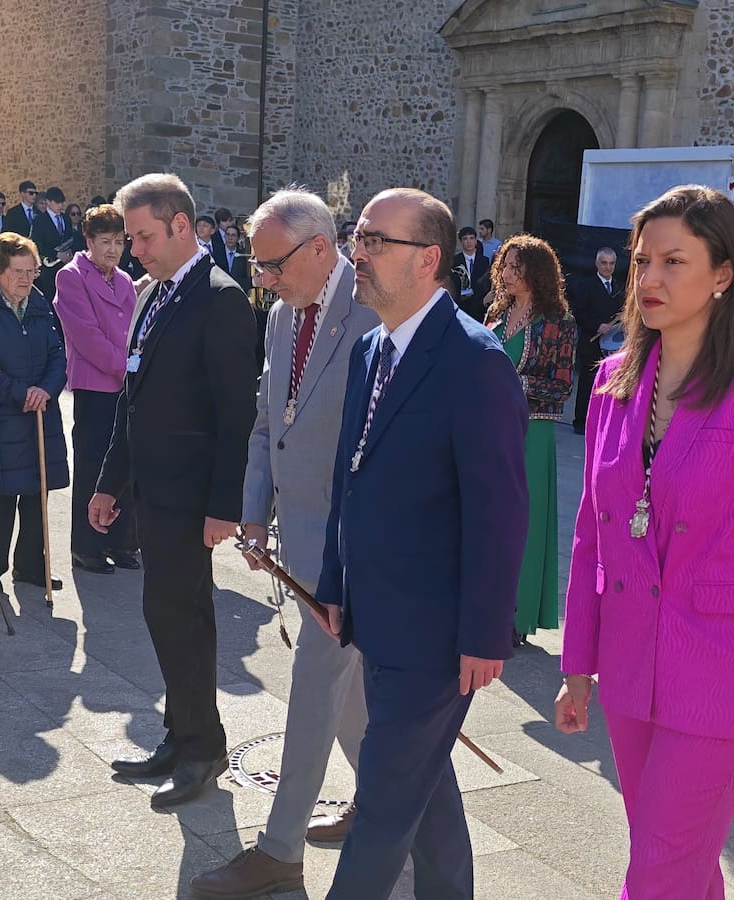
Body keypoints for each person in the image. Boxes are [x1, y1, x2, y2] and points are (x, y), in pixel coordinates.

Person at [555, 185, 734, 898]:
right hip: (629, 669)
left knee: (658, 872)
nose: (649, 280)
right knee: (676, 859)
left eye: (675, 261)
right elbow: (591, 538)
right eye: (644, 261)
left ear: (724, 274)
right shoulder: (613, 380)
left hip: (723, 678)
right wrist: (578, 663)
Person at [317, 188, 527, 899]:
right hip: (377, 615)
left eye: (376, 242)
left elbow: (500, 511)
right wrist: (332, 582)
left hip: (437, 635)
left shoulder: (475, 362)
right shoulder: (371, 346)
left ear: (429, 260)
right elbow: (351, 475)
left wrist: (485, 634)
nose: (358, 254)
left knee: (381, 801)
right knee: (424, 784)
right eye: (359, 238)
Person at [190, 188, 379, 898]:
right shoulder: (278, 315)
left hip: (350, 547)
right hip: (295, 537)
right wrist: (253, 508)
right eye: (256, 263)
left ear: (320, 249)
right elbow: (273, 414)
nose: (261, 278)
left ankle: (279, 849)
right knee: (350, 694)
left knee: (315, 684)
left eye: (271, 264)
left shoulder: (371, 312)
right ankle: (387, 804)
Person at [89, 173, 257, 808]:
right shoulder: (156, 294)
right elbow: (136, 399)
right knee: (168, 616)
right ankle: (182, 734)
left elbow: (234, 413)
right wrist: (110, 484)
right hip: (153, 492)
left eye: (143, 236)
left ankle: (203, 747)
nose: (134, 249)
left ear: (182, 226)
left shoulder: (220, 298)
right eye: (130, 237)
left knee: (180, 616)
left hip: (191, 499)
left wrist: (224, 506)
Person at [484, 235, 576, 645]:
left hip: (530, 432)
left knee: (524, 522)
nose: (506, 274)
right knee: (485, 520)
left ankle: (515, 618)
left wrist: (511, 384)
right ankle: (483, 607)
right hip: (486, 429)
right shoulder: (495, 314)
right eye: (505, 266)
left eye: (516, 268)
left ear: (536, 273)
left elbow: (561, 385)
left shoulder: (558, 322)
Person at [0, 233, 68, 596]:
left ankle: (32, 566)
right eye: (18, 272)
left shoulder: (40, 302)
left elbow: (59, 355)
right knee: (1, 499)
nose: (27, 279)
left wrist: (45, 389)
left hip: (40, 413)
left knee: (37, 494)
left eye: (32, 271)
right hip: (1, 417)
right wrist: (20, 392)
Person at [53, 205, 140, 576]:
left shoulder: (123, 279)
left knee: (125, 465)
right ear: (88, 241)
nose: (113, 249)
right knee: (92, 467)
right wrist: (127, 368)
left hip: (126, 387)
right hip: (95, 386)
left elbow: (137, 330)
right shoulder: (70, 277)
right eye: (105, 241)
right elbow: (85, 335)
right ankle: (87, 547)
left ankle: (120, 540)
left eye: (119, 242)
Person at [570, 246, 624, 435]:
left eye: (611, 263)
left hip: (612, 347)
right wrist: (596, 326)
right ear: (596, 264)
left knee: (610, 385)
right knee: (587, 383)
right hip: (591, 343)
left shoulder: (618, 287)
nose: (608, 267)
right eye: (604, 263)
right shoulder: (587, 285)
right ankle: (580, 422)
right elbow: (577, 312)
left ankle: (601, 422)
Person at [449, 225, 490, 321]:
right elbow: (452, 284)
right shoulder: (454, 261)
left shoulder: (484, 261)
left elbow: (485, 283)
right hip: (461, 308)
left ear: (476, 241)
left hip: (479, 308)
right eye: (465, 239)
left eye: (471, 238)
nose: (469, 242)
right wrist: (461, 295)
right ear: (461, 242)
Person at [223, 224, 251, 291]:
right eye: (228, 235)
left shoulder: (243, 255)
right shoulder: (217, 252)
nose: (230, 238)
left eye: (233, 235)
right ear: (224, 236)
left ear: (238, 238)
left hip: (238, 291)